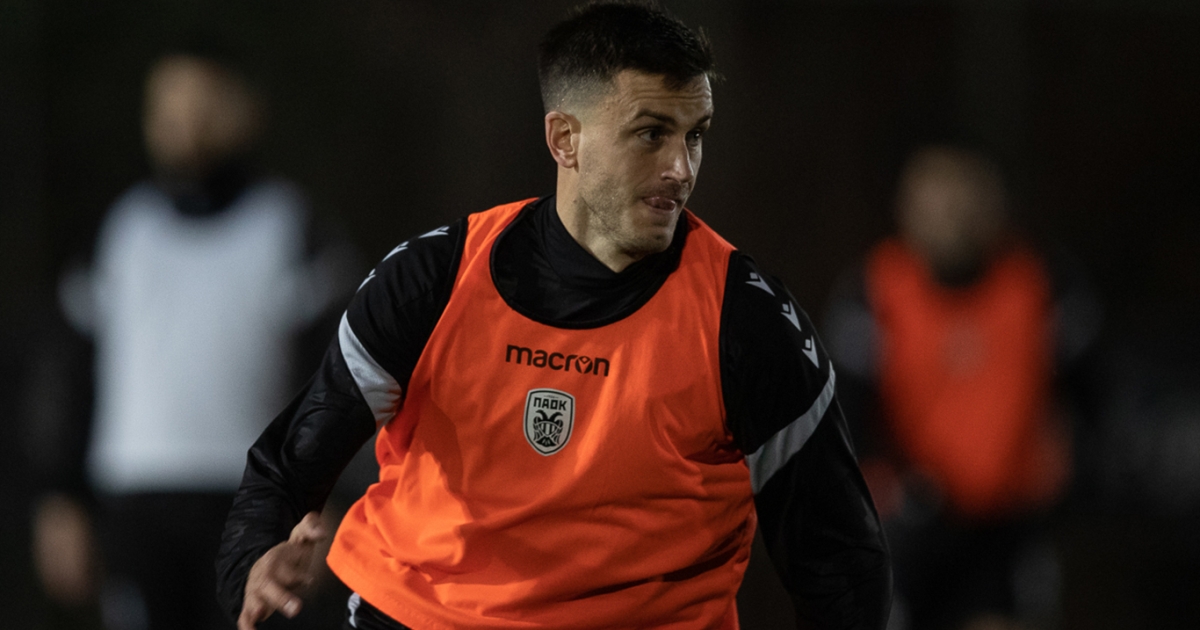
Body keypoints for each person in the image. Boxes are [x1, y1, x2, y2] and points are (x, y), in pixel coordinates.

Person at [217, 3, 891, 629]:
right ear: (564, 139)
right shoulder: (433, 281)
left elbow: (840, 562)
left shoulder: (746, 321)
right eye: (651, 134)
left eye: (695, 136)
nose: (681, 168)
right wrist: (253, 565)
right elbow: (286, 468)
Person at [43, 52, 353, 630]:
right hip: (136, 499)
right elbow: (69, 369)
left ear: (247, 111)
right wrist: (60, 495)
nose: (185, 122)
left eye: (204, 104)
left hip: (254, 498)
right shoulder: (121, 229)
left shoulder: (292, 227)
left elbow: (339, 372)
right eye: (168, 106)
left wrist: (332, 493)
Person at [824, 146, 1100, 630]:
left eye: (964, 206)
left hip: (1009, 525)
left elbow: (1091, 395)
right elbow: (842, 411)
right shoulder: (874, 292)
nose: (951, 223)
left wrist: (1069, 485)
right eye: (936, 208)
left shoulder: (1040, 283)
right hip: (909, 523)